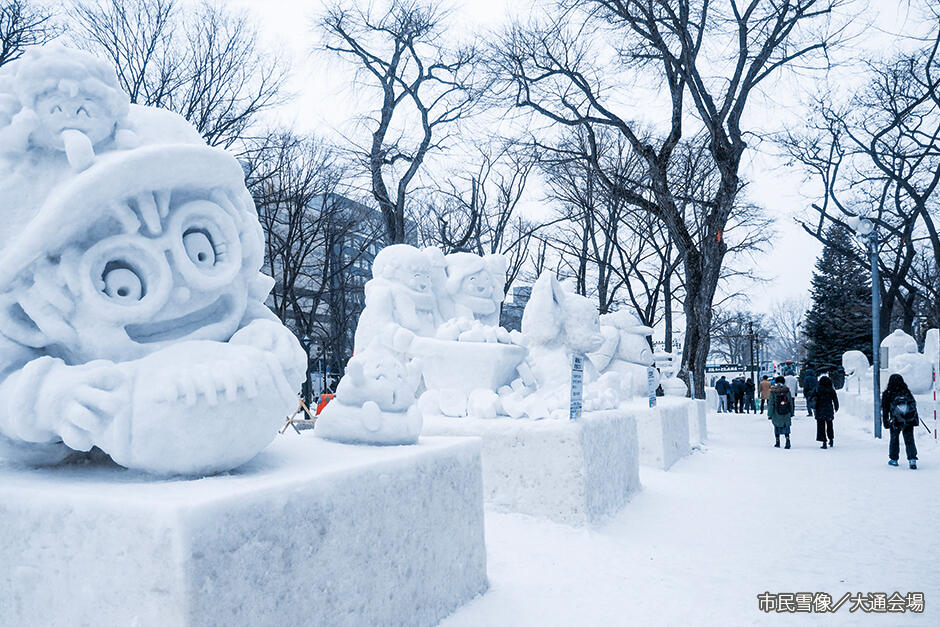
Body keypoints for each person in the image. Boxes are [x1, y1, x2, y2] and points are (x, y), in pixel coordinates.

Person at [881, 373, 919, 469]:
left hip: (895, 421)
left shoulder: (888, 393)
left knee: (894, 439)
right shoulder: (906, 391)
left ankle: (894, 459)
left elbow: (885, 409)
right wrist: (914, 419)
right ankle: (912, 459)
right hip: (908, 420)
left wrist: (885, 421)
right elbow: (913, 405)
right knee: (909, 439)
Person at [767, 375, 794, 449]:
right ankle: (787, 440)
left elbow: (771, 403)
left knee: (777, 426)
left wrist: (770, 414)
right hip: (786, 412)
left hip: (776, 412)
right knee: (786, 426)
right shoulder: (787, 390)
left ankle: (777, 441)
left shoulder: (773, 391)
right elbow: (790, 402)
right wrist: (791, 412)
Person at [814, 375, 838, 449]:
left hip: (820, 409)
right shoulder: (831, 390)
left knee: (821, 426)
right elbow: (835, 399)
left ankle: (824, 441)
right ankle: (831, 439)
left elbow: (813, 397)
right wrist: (836, 407)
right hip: (829, 409)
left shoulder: (818, 389)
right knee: (829, 425)